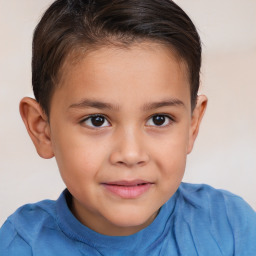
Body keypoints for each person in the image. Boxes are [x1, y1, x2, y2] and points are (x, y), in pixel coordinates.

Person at [0, 0, 255, 255]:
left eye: (159, 119)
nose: (131, 154)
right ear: (42, 129)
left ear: (192, 124)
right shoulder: (21, 246)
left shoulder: (231, 227)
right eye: (97, 120)